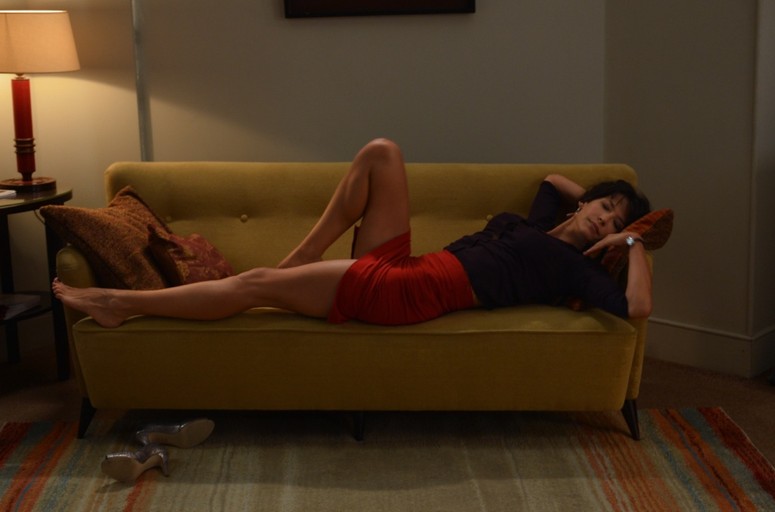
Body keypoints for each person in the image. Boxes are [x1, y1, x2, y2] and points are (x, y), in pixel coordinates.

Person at [52, 138, 653, 328]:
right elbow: (551, 179)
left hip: (411, 293)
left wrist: (632, 241)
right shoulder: (544, 221)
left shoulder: (574, 266)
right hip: (412, 266)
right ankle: (305, 255)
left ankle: (118, 304)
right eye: (605, 206)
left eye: (614, 221)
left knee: (254, 285)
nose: (604, 219)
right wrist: (590, 203)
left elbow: (636, 307)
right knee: (382, 153)